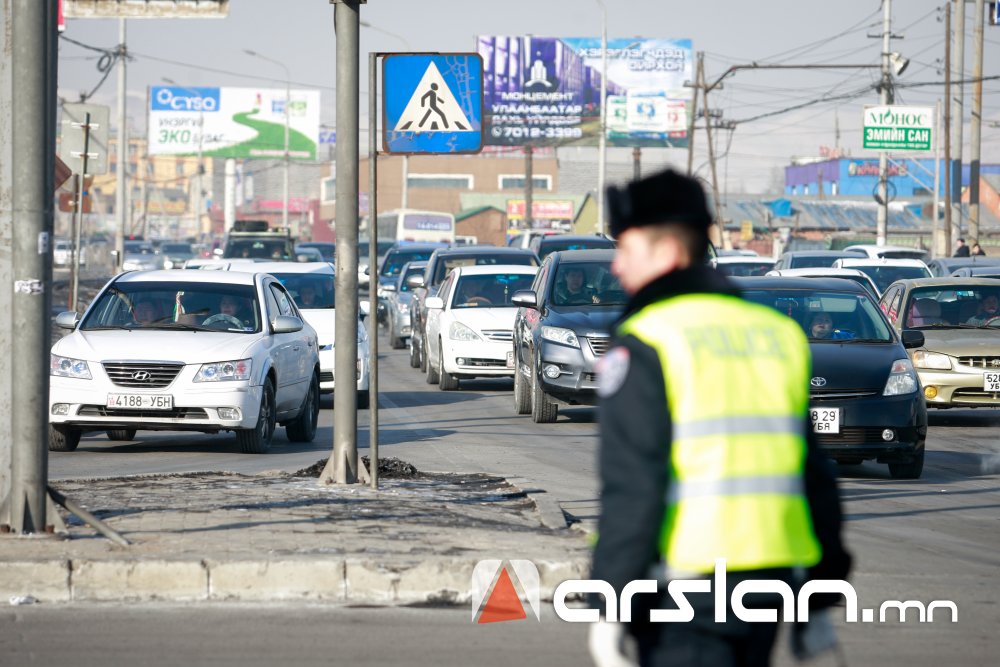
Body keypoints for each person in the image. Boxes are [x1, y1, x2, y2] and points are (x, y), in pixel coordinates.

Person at [588, 169, 851, 667]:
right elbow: (816, 476)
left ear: (666, 254)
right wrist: (819, 595)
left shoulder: (648, 341)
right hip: (772, 582)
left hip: (685, 588)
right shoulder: (775, 334)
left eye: (626, 250)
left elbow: (634, 487)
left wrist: (610, 602)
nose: (617, 266)